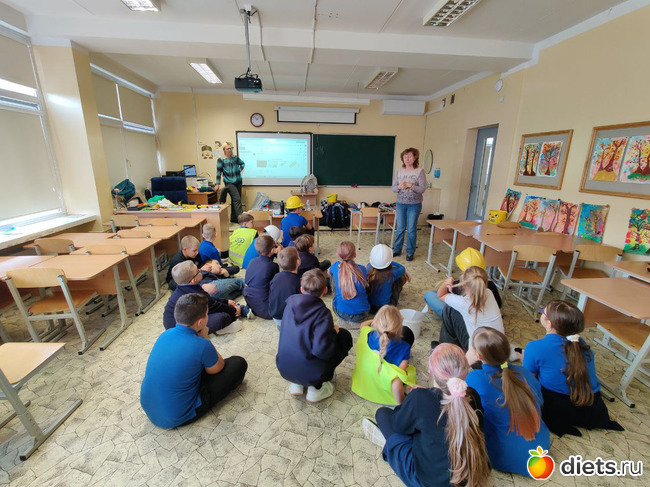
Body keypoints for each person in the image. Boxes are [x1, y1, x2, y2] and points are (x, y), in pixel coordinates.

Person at [363, 343, 490, 487]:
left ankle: (391, 449)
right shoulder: (473, 396)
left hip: (426, 482)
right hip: (468, 479)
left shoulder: (419, 398)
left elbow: (399, 426)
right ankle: (395, 447)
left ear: (430, 371)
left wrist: (414, 400)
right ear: (464, 372)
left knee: (383, 414)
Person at [140, 293, 248, 429]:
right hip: (179, 416)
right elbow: (218, 368)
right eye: (207, 314)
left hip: (151, 409)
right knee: (238, 363)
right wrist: (205, 337)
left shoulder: (165, 334)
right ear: (200, 322)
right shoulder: (201, 344)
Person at [523, 300, 623, 437]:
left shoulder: (534, 347)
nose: (541, 312)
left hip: (558, 408)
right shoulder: (580, 343)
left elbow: (528, 377)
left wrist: (526, 358)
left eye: (542, 312)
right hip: (592, 406)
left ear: (549, 324)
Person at [466, 327, 549, 476]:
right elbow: (541, 402)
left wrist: (466, 363)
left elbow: (458, 398)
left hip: (503, 458)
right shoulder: (525, 372)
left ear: (478, 355)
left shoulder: (475, 378)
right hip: (540, 450)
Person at [276, 269, 353, 403]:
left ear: (301, 289)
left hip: (284, 367)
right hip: (312, 373)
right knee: (344, 336)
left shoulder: (289, 304)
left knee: (299, 344)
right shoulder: (322, 313)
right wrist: (333, 333)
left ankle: (297, 383)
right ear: (325, 290)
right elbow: (322, 351)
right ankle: (316, 388)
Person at [163, 261, 252, 335]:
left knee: (216, 311)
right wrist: (234, 311)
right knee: (224, 317)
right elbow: (214, 306)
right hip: (181, 331)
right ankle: (218, 328)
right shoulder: (194, 294)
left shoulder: (186, 287)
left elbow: (209, 299)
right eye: (198, 271)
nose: (200, 270)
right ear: (193, 280)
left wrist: (226, 302)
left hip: (183, 322)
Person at [351, 305, 416, 405]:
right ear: (398, 328)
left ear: (376, 322)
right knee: (408, 333)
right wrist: (402, 403)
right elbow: (398, 379)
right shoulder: (404, 348)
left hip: (361, 387)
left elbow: (363, 324)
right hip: (384, 394)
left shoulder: (366, 333)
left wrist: (379, 320)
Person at [435, 266, 504, 352]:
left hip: (476, 355)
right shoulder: (489, 293)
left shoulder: (464, 303)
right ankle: (447, 348)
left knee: (449, 309)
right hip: (500, 351)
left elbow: (440, 295)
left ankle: (446, 351)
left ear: (463, 284)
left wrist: (446, 283)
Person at [424, 247, 502, 317]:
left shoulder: (458, 285)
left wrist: (445, 283)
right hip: (482, 319)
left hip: (459, 318)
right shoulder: (491, 285)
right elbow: (499, 306)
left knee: (429, 294)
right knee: (436, 292)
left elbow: (440, 295)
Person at [167, 235, 245, 301]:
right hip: (188, 281)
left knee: (234, 269)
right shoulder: (178, 261)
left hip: (199, 275)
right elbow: (182, 282)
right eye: (194, 251)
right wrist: (201, 271)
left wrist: (209, 268)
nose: (197, 252)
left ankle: (225, 275)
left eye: (198, 250)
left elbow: (201, 265)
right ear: (185, 249)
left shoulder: (196, 255)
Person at [391, 147, 426, 262]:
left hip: (414, 204)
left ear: (415, 158)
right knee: (400, 228)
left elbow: (422, 189)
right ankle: (397, 250)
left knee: (411, 229)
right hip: (401, 204)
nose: (407, 159)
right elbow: (393, 188)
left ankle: (410, 252)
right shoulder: (399, 171)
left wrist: (411, 185)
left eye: (409, 156)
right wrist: (399, 187)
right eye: (405, 157)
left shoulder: (419, 171)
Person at [328, 241, 370, 327]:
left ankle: (339, 298)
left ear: (338, 255)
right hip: (362, 315)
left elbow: (328, 272)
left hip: (341, 312)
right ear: (355, 255)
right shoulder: (362, 269)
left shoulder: (335, 266)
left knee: (333, 276)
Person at [243, 234, 280, 319]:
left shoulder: (252, 261)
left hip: (250, 302)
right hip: (266, 309)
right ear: (272, 250)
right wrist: (280, 255)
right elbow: (276, 286)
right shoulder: (273, 266)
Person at [366, 244, 409, 313]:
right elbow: (402, 268)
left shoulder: (368, 267)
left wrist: (385, 261)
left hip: (370, 307)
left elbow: (370, 263)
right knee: (400, 278)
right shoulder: (393, 273)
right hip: (386, 308)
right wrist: (389, 261)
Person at [268, 247, 302, 329]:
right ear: (298, 261)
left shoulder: (276, 277)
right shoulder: (299, 282)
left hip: (275, 316)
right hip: (288, 319)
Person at [216, 142, 245, 223]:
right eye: (227, 149)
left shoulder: (235, 158)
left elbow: (242, 164)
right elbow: (218, 172)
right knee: (237, 200)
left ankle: (234, 218)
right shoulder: (221, 160)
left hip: (238, 181)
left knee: (235, 200)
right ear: (224, 150)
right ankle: (242, 220)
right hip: (229, 183)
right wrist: (217, 183)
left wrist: (239, 170)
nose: (230, 150)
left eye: (230, 148)